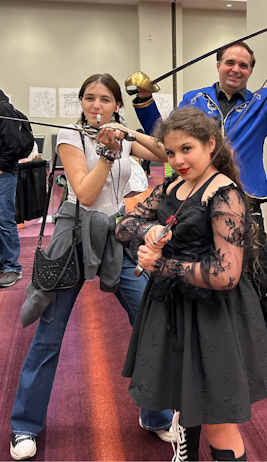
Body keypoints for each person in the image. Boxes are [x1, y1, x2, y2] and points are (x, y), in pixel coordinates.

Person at [132, 2, 267, 409]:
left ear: (250, 71)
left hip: (243, 203)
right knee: (193, 282)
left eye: (244, 65)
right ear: (218, 65)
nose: (236, 69)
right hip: (192, 203)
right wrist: (144, 99)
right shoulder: (194, 100)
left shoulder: (265, 102)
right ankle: (192, 370)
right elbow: (162, 137)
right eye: (229, 62)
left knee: (259, 283)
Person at [9, 73, 174, 461]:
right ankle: (24, 425)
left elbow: (167, 154)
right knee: (49, 335)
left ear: (117, 103)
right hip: (75, 236)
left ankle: (155, 413)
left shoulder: (120, 131)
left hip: (118, 234)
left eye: (104, 99)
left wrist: (128, 134)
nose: (95, 105)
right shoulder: (70, 135)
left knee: (151, 322)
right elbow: (84, 192)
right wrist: (109, 153)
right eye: (88, 98)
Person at [117, 106, 267, 461]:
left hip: (214, 316)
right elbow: (123, 224)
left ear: (210, 144)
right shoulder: (174, 183)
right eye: (171, 152)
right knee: (184, 400)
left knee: (220, 420)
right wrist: (149, 233)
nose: (178, 159)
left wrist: (162, 263)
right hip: (172, 307)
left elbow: (226, 274)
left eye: (186, 149)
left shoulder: (225, 194)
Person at [0, 90, 23, 288]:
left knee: (4, 219)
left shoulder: (4, 109)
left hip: (4, 174)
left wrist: (2, 167)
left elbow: (13, 145)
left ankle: (12, 268)